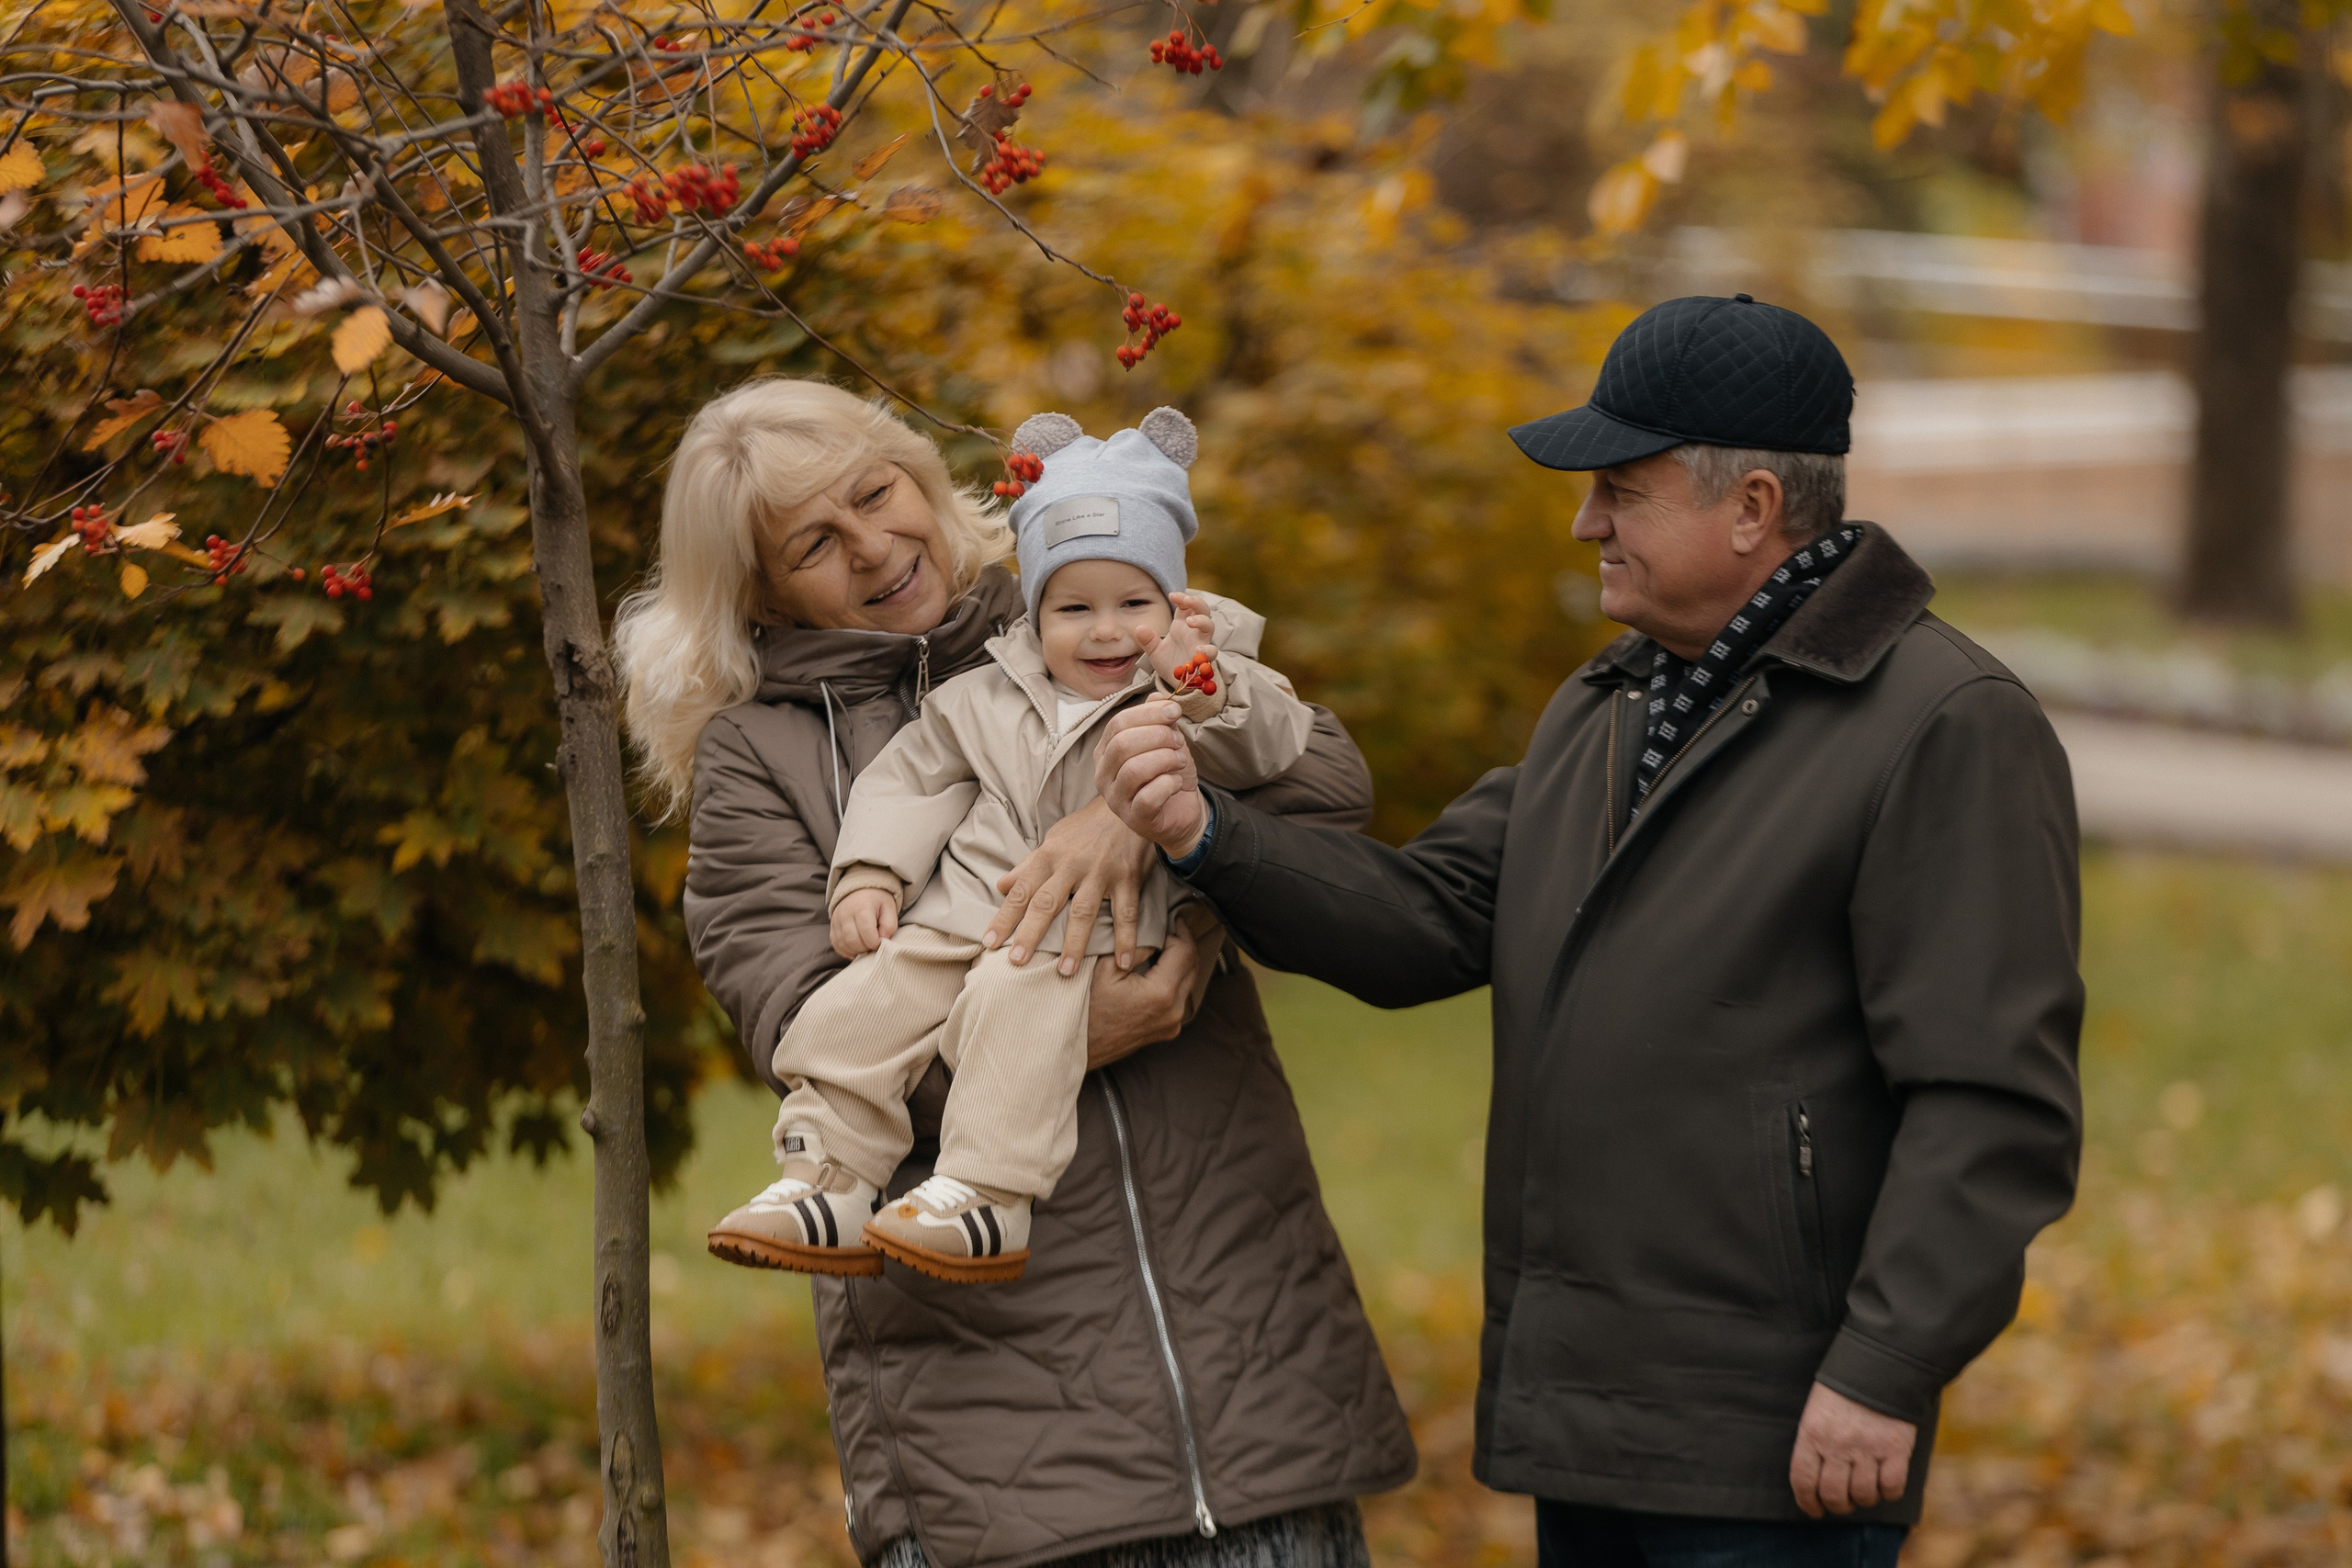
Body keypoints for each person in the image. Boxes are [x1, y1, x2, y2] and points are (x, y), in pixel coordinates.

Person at [1095, 296, 2086, 1565]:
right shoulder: (1607, 699)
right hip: (1591, 1414)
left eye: (1620, 487)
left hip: (1786, 1431)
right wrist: (1212, 834)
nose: (1584, 521)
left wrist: (1888, 1362)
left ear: (1754, 508)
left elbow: (1992, 1099)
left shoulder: (1946, 722)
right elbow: (1430, 917)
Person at [615, 379, 1413, 1568]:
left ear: (923, 480)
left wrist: (1134, 810)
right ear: (760, 588)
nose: (877, 547)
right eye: (816, 542)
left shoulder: (1101, 608)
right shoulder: (758, 759)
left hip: (1247, 1359)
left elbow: (1331, 787)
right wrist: (1077, 1023)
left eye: (878, 495)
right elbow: (803, 1021)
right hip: (988, 1414)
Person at [707, 407, 1320, 1282]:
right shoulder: (983, 693)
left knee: (1010, 1002)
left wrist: (1206, 697)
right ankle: (826, 1181)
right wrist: (872, 873)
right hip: (968, 914)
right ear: (1037, 613)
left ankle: (987, 1196)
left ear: (1174, 603)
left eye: (1134, 603)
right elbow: (910, 782)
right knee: (851, 1011)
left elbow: (1283, 748)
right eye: (1075, 607)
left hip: (1088, 936)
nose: (1108, 631)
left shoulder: (1189, 686)